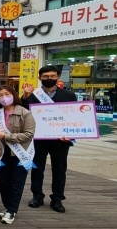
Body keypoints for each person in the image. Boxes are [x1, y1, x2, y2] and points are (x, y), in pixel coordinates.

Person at [21, 65, 77, 213]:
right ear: (40, 78)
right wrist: (25, 97)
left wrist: (71, 135)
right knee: (37, 168)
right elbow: (23, 112)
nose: (49, 79)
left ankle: (57, 199)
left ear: (58, 77)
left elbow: (74, 118)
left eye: (52, 76)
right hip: (38, 138)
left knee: (59, 169)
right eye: (45, 77)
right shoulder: (33, 95)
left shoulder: (69, 96)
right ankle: (37, 196)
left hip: (60, 139)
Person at [0, 85, 36, 224]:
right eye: (0, 95)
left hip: (20, 153)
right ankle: (7, 207)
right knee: (4, 181)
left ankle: (12, 210)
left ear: (13, 95)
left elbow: (28, 135)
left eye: (6, 94)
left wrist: (6, 137)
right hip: (2, 152)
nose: (4, 97)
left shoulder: (25, 113)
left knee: (16, 182)